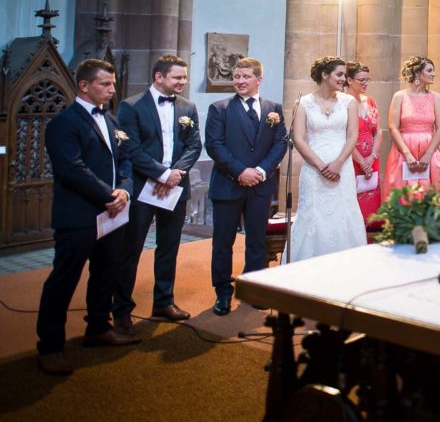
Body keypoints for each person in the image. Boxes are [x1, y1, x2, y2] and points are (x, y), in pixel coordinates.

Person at [36, 60, 137, 375]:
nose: (112, 89)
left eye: (112, 83)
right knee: (63, 279)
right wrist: (109, 196)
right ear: (84, 86)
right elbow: (71, 169)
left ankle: (97, 327)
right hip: (79, 214)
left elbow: (126, 161)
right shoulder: (64, 123)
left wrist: (124, 191)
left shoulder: (111, 119)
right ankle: (50, 346)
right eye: (105, 84)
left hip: (112, 213)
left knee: (106, 272)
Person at [112, 54, 203, 331]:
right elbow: (130, 148)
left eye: (184, 78)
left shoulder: (188, 107)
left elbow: (194, 145)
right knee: (132, 249)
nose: (182, 82)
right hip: (142, 188)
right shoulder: (131, 107)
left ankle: (163, 301)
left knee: (169, 246)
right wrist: (161, 174)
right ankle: (122, 310)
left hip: (175, 187)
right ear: (159, 77)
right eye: (177, 77)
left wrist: (175, 174)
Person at [205, 57, 288, 316]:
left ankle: (253, 288)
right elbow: (215, 145)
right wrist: (241, 171)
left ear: (259, 79)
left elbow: (280, 143)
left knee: (256, 242)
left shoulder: (274, 108)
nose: (239, 81)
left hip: (261, 187)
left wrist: (262, 171)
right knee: (222, 242)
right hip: (228, 185)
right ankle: (223, 292)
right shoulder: (219, 109)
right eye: (236, 77)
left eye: (245, 77)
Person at [287, 57, 368, 262]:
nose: (343, 79)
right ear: (325, 75)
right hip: (314, 171)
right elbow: (298, 138)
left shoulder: (348, 102)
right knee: (314, 215)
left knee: (344, 215)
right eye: (339, 74)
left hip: (343, 169)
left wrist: (338, 163)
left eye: (344, 75)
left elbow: (353, 136)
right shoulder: (303, 103)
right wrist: (322, 166)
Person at [386, 56, 440, 197]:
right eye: (429, 70)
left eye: (433, 71)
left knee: (429, 196)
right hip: (404, 149)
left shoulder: (435, 97)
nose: (434, 74)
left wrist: (428, 155)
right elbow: (393, 127)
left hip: (429, 149)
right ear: (417, 73)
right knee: (404, 197)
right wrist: (407, 154)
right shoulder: (399, 96)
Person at [345, 61, 382, 220]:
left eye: (368, 79)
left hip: (371, 158)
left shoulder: (370, 101)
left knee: (371, 201)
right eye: (362, 80)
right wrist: (362, 162)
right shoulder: (343, 103)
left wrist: (372, 157)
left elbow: (379, 132)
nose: (366, 83)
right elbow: (344, 137)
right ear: (349, 80)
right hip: (351, 158)